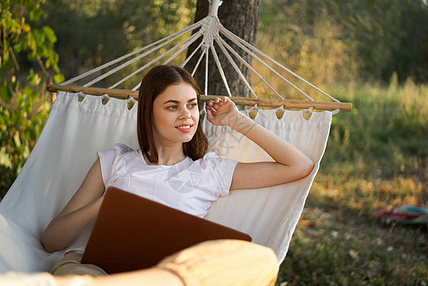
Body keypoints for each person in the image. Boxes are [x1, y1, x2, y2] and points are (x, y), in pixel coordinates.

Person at [40, 65, 314, 283]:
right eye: (173, 106)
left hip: (166, 276)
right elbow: (52, 240)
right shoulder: (114, 162)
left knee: (260, 260)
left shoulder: (210, 171)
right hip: (95, 270)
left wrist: (237, 121)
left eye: (192, 105)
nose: (186, 115)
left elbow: (298, 166)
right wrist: (107, 204)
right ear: (149, 112)